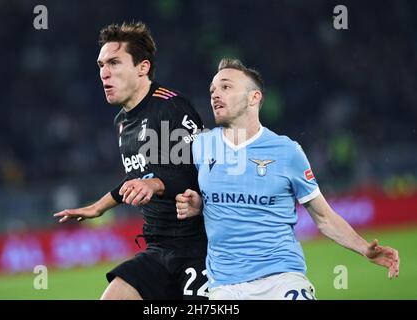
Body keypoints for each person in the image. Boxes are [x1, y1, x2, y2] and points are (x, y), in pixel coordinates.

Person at [175, 58, 400, 300]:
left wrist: (364, 248)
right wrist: (198, 204)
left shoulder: (286, 152)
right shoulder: (200, 146)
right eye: (213, 90)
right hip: (226, 286)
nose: (215, 95)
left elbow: (323, 217)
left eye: (226, 87)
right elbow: (192, 195)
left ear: (254, 98)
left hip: (281, 278)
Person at [54, 22, 208, 300]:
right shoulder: (122, 123)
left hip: (197, 248)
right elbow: (139, 177)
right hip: (158, 248)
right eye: (101, 65)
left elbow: (202, 173)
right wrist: (97, 207)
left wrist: (158, 184)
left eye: (114, 62)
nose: (104, 73)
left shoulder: (171, 106)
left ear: (143, 67)